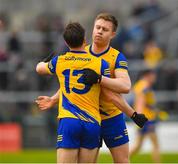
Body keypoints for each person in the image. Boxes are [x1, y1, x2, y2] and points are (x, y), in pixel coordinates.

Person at [36, 13, 148, 163]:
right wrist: (54, 99)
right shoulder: (83, 52)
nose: (100, 31)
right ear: (92, 29)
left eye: (105, 29)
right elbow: (70, 83)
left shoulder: (116, 57)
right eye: (98, 27)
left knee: (122, 161)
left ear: (113, 34)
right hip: (91, 117)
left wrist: (99, 79)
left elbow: (125, 86)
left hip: (111, 117)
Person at [36, 22, 111, 163]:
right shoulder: (100, 64)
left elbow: (39, 69)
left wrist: (42, 62)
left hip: (69, 121)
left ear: (66, 42)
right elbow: (110, 91)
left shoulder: (59, 61)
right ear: (84, 40)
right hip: (92, 122)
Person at [130, 69, 161, 163]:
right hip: (147, 119)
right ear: (147, 75)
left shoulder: (140, 85)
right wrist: (139, 117)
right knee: (155, 145)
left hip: (145, 118)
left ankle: (120, 161)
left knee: (138, 146)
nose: (154, 77)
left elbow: (146, 102)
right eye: (153, 75)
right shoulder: (144, 86)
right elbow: (140, 102)